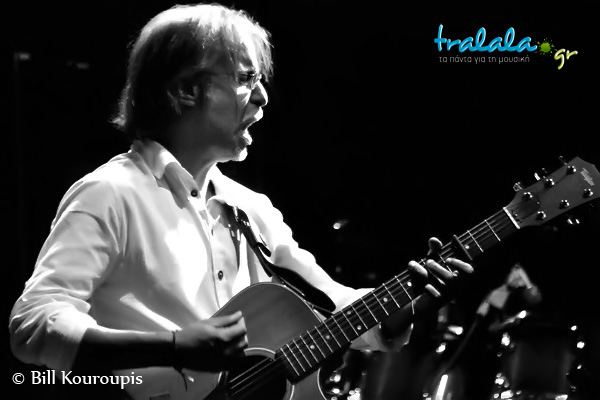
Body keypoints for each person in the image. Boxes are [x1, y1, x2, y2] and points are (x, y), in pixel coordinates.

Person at [9, 3, 473, 400]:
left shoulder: (251, 208)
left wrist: (403, 306)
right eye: (246, 78)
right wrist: (171, 347)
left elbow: (332, 306)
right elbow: (34, 323)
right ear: (185, 90)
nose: (263, 97)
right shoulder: (111, 193)